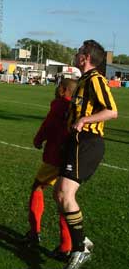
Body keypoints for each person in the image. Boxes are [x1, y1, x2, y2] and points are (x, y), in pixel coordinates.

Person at [53, 40, 118, 269]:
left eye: (80, 51)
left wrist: (84, 119)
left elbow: (112, 111)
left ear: (85, 58)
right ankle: (80, 242)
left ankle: (80, 248)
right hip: (76, 143)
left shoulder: (96, 80)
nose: (76, 53)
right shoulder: (83, 80)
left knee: (65, 194)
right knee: (59, 194)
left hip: (88, 143)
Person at [22, 79, 77, 262]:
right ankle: (66, 246)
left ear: (63, 90)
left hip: (55, 156)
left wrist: (38, 139)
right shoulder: (75, 106)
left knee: (38, 187)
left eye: (58, 87)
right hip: (72, 157)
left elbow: (49, 125)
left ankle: (34, 232)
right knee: (65, 198)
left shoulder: (60, 104)